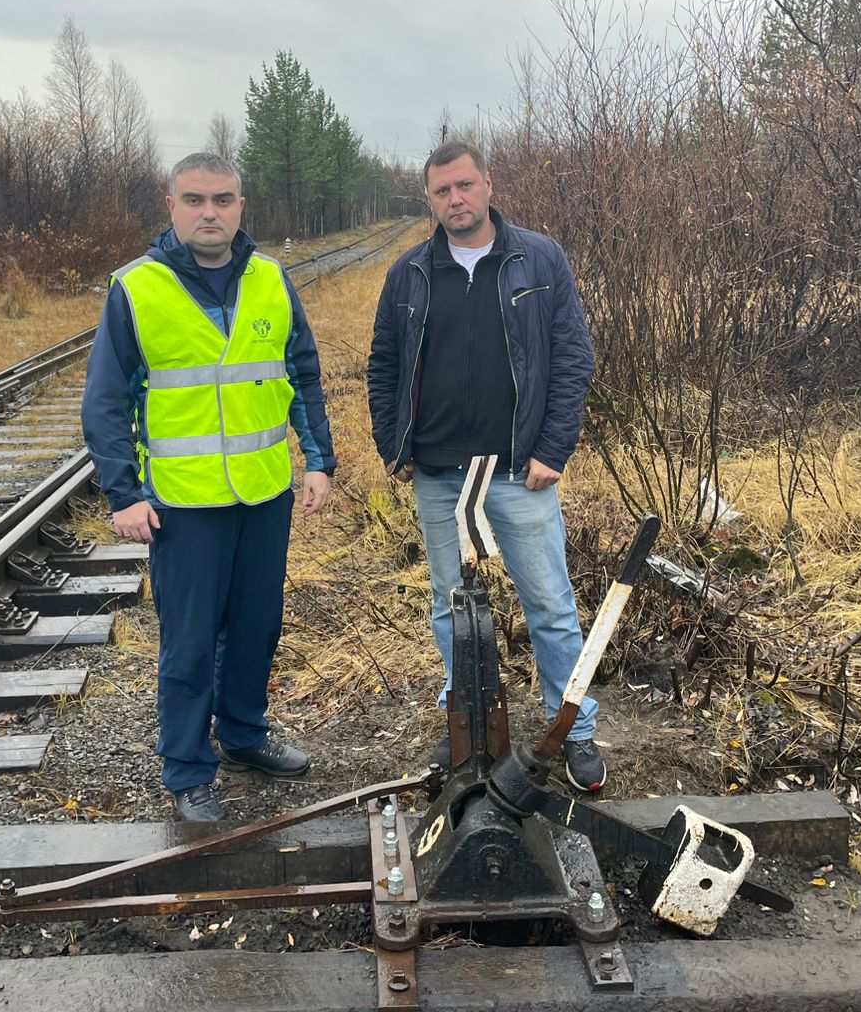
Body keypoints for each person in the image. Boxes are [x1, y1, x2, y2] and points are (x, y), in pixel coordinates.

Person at [82, 152, 335, 822]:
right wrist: (124, 495)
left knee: (256, 629)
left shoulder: (271, 279)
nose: (210, 213)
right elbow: (105, 402)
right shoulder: (137, 288)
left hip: (261, 495)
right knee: (190, 642)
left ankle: (245, 737)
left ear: (241, 206)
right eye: (194, 200)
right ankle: (188, 771)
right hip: (183, 503)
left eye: (222, 200)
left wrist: (318, 460)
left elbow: (301, 373)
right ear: (171, 207)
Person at [365, 141, 605, 792]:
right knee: (452, 610)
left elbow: (572, 359)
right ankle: (467, 730)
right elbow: (385, 365)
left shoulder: (538, 259)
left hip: (518, 472)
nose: (456, 199)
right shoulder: (410, 274)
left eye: (465, 186)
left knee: (551, 607)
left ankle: (575, 733)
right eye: (443, 191)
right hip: (441, 473)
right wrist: (395, 444)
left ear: (488, 184)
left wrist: (553, 450)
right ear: (429, 198)